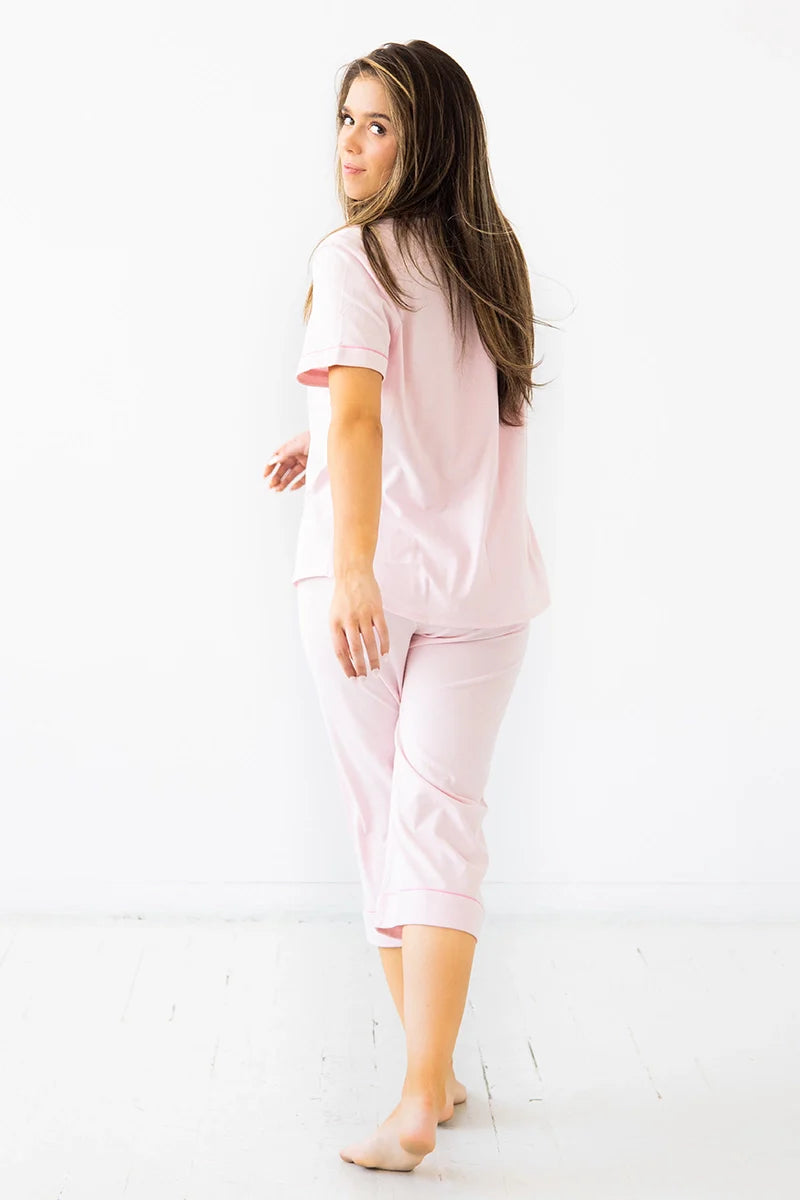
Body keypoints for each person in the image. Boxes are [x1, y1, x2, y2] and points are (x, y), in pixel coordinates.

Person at [264, 40, 551, 1172]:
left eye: (378, 124)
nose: (352, 142)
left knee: (388, 822)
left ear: (428, 138)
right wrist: (321, 435)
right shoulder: (493, 258)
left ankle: (419, 1097)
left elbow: (366, 416)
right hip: (485, 581)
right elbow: (447, 407)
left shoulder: (352, 256)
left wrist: (351, 566)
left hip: (370, 587)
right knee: (441, 822)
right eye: (346, 118)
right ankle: (432, 1077)